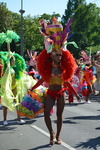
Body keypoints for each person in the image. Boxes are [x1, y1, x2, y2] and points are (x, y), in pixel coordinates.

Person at [30, 17, 81, 145]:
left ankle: (58, 136)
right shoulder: (47, 68)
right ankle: (51, 133)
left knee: (59, 115)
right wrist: (32, 88)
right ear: (51, 55)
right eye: (57, 54)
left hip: (61, 93)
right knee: (47, 114)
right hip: (50, 93)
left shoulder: (64, 69)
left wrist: (76, 94)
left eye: (60, 54)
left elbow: (68, 82)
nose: (59, 56)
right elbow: (42, 80)